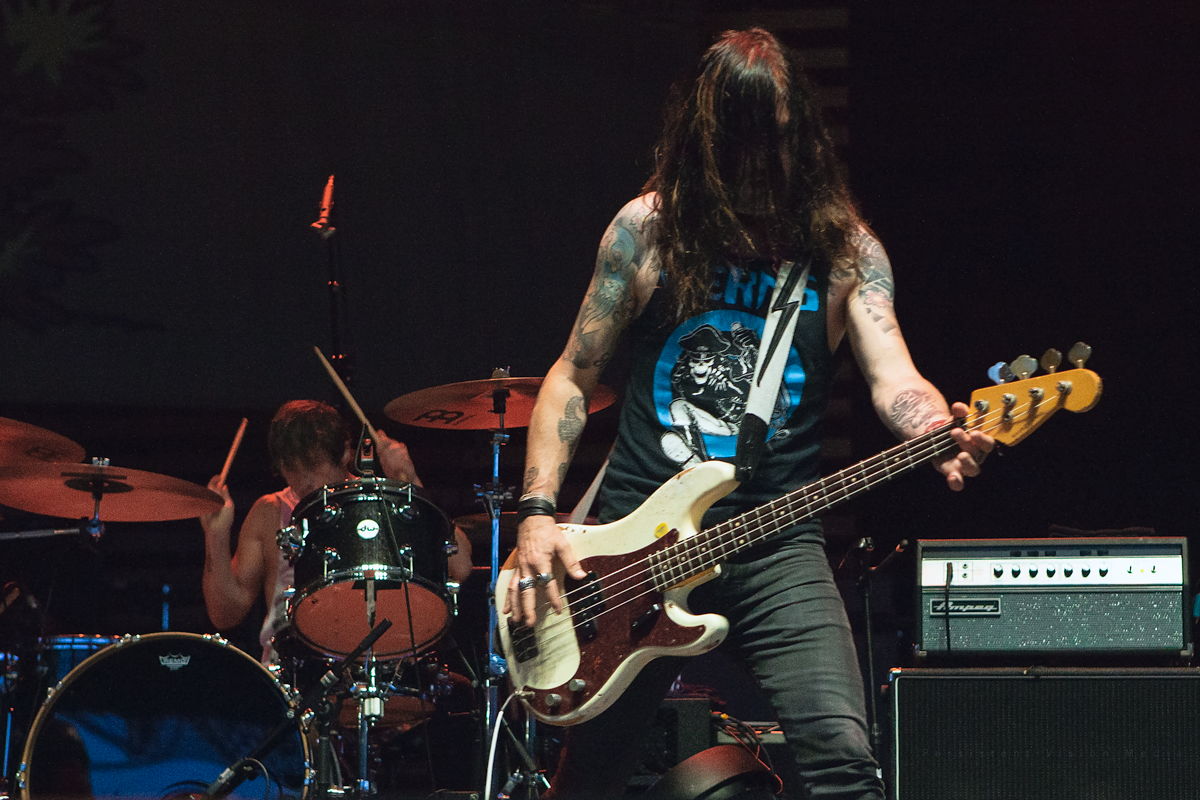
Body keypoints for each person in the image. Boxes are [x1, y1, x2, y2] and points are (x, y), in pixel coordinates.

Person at [504, 29, 993, 799]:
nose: (764, 167)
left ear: (802, 133)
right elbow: (572, 374)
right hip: (631, 549)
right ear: (706, 142)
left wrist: (934, 431)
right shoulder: (647, 232)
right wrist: (536, 512)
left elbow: (895, 374)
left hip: (774, 545)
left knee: (842, 759)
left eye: (780, 142)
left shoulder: (844, 252)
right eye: (744, 147)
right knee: (590, 777)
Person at [201, 399, 472, 662]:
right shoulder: (270, 511)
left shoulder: (384, 501)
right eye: (291, 468)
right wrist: (216, 534)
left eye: (313, 465)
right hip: (291, 675)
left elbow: (461, 566)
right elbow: (224, 615)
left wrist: (410, 482)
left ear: (344, 453)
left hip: (383, 665)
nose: (304, 481)